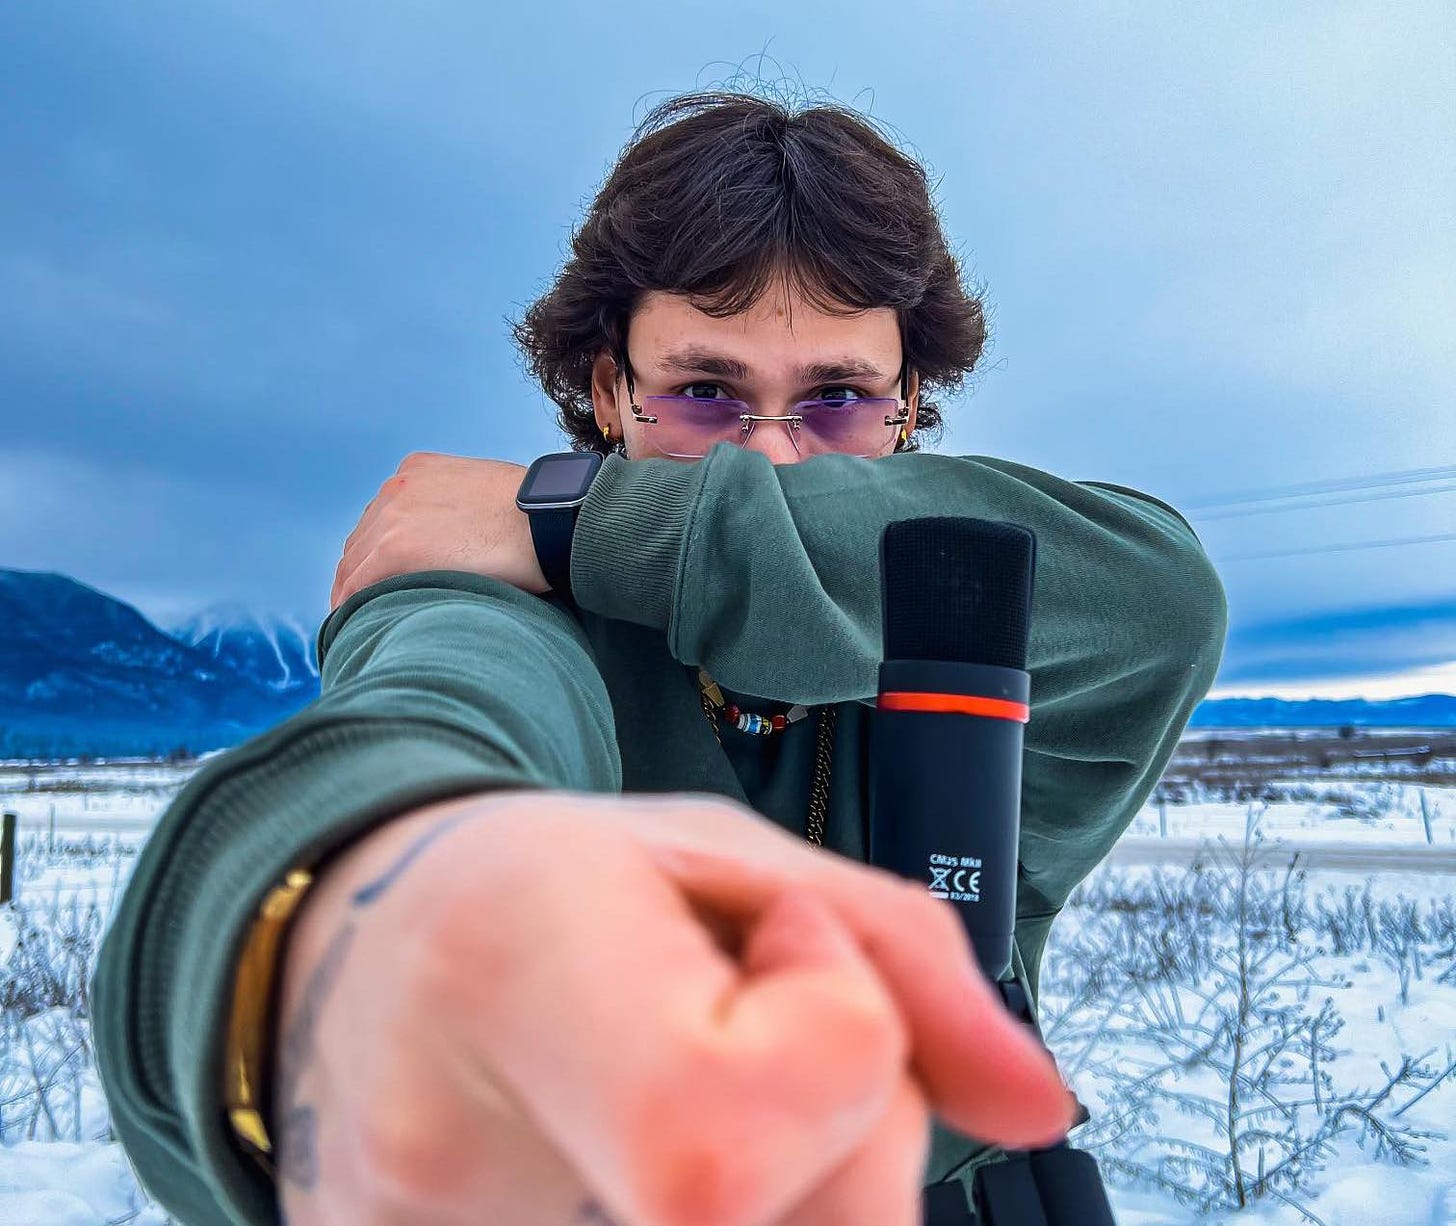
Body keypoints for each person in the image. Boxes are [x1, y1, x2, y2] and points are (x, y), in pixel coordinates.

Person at [92, 88, 1228, 1225]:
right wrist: (357, 937)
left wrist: (584, 516)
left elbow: (1158, 597)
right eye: (704, 394)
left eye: (836, 398)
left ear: (907, 409)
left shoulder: (955, 635)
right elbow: (431, 716)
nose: (777, 464)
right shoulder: (511, 602)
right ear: (606, 394)